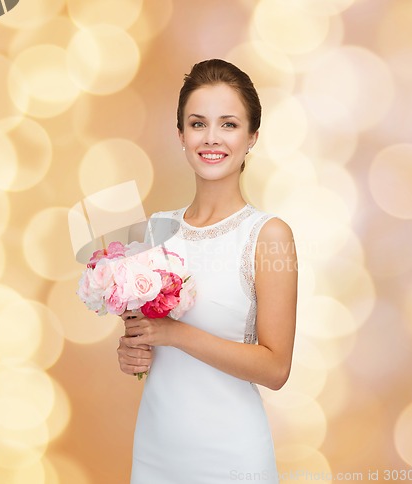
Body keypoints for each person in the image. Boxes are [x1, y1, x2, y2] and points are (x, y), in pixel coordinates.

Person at [117, 59, 298, 484]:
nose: (211, 138)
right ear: (180, 133)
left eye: (229, 124)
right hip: (155, 454)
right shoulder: (154, 230)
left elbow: (276, 369)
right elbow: (142, 340)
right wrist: (131, 351)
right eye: (198, 124)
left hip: (232, 458)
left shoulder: (268, 236)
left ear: (252, 136)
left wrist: (174, 334)